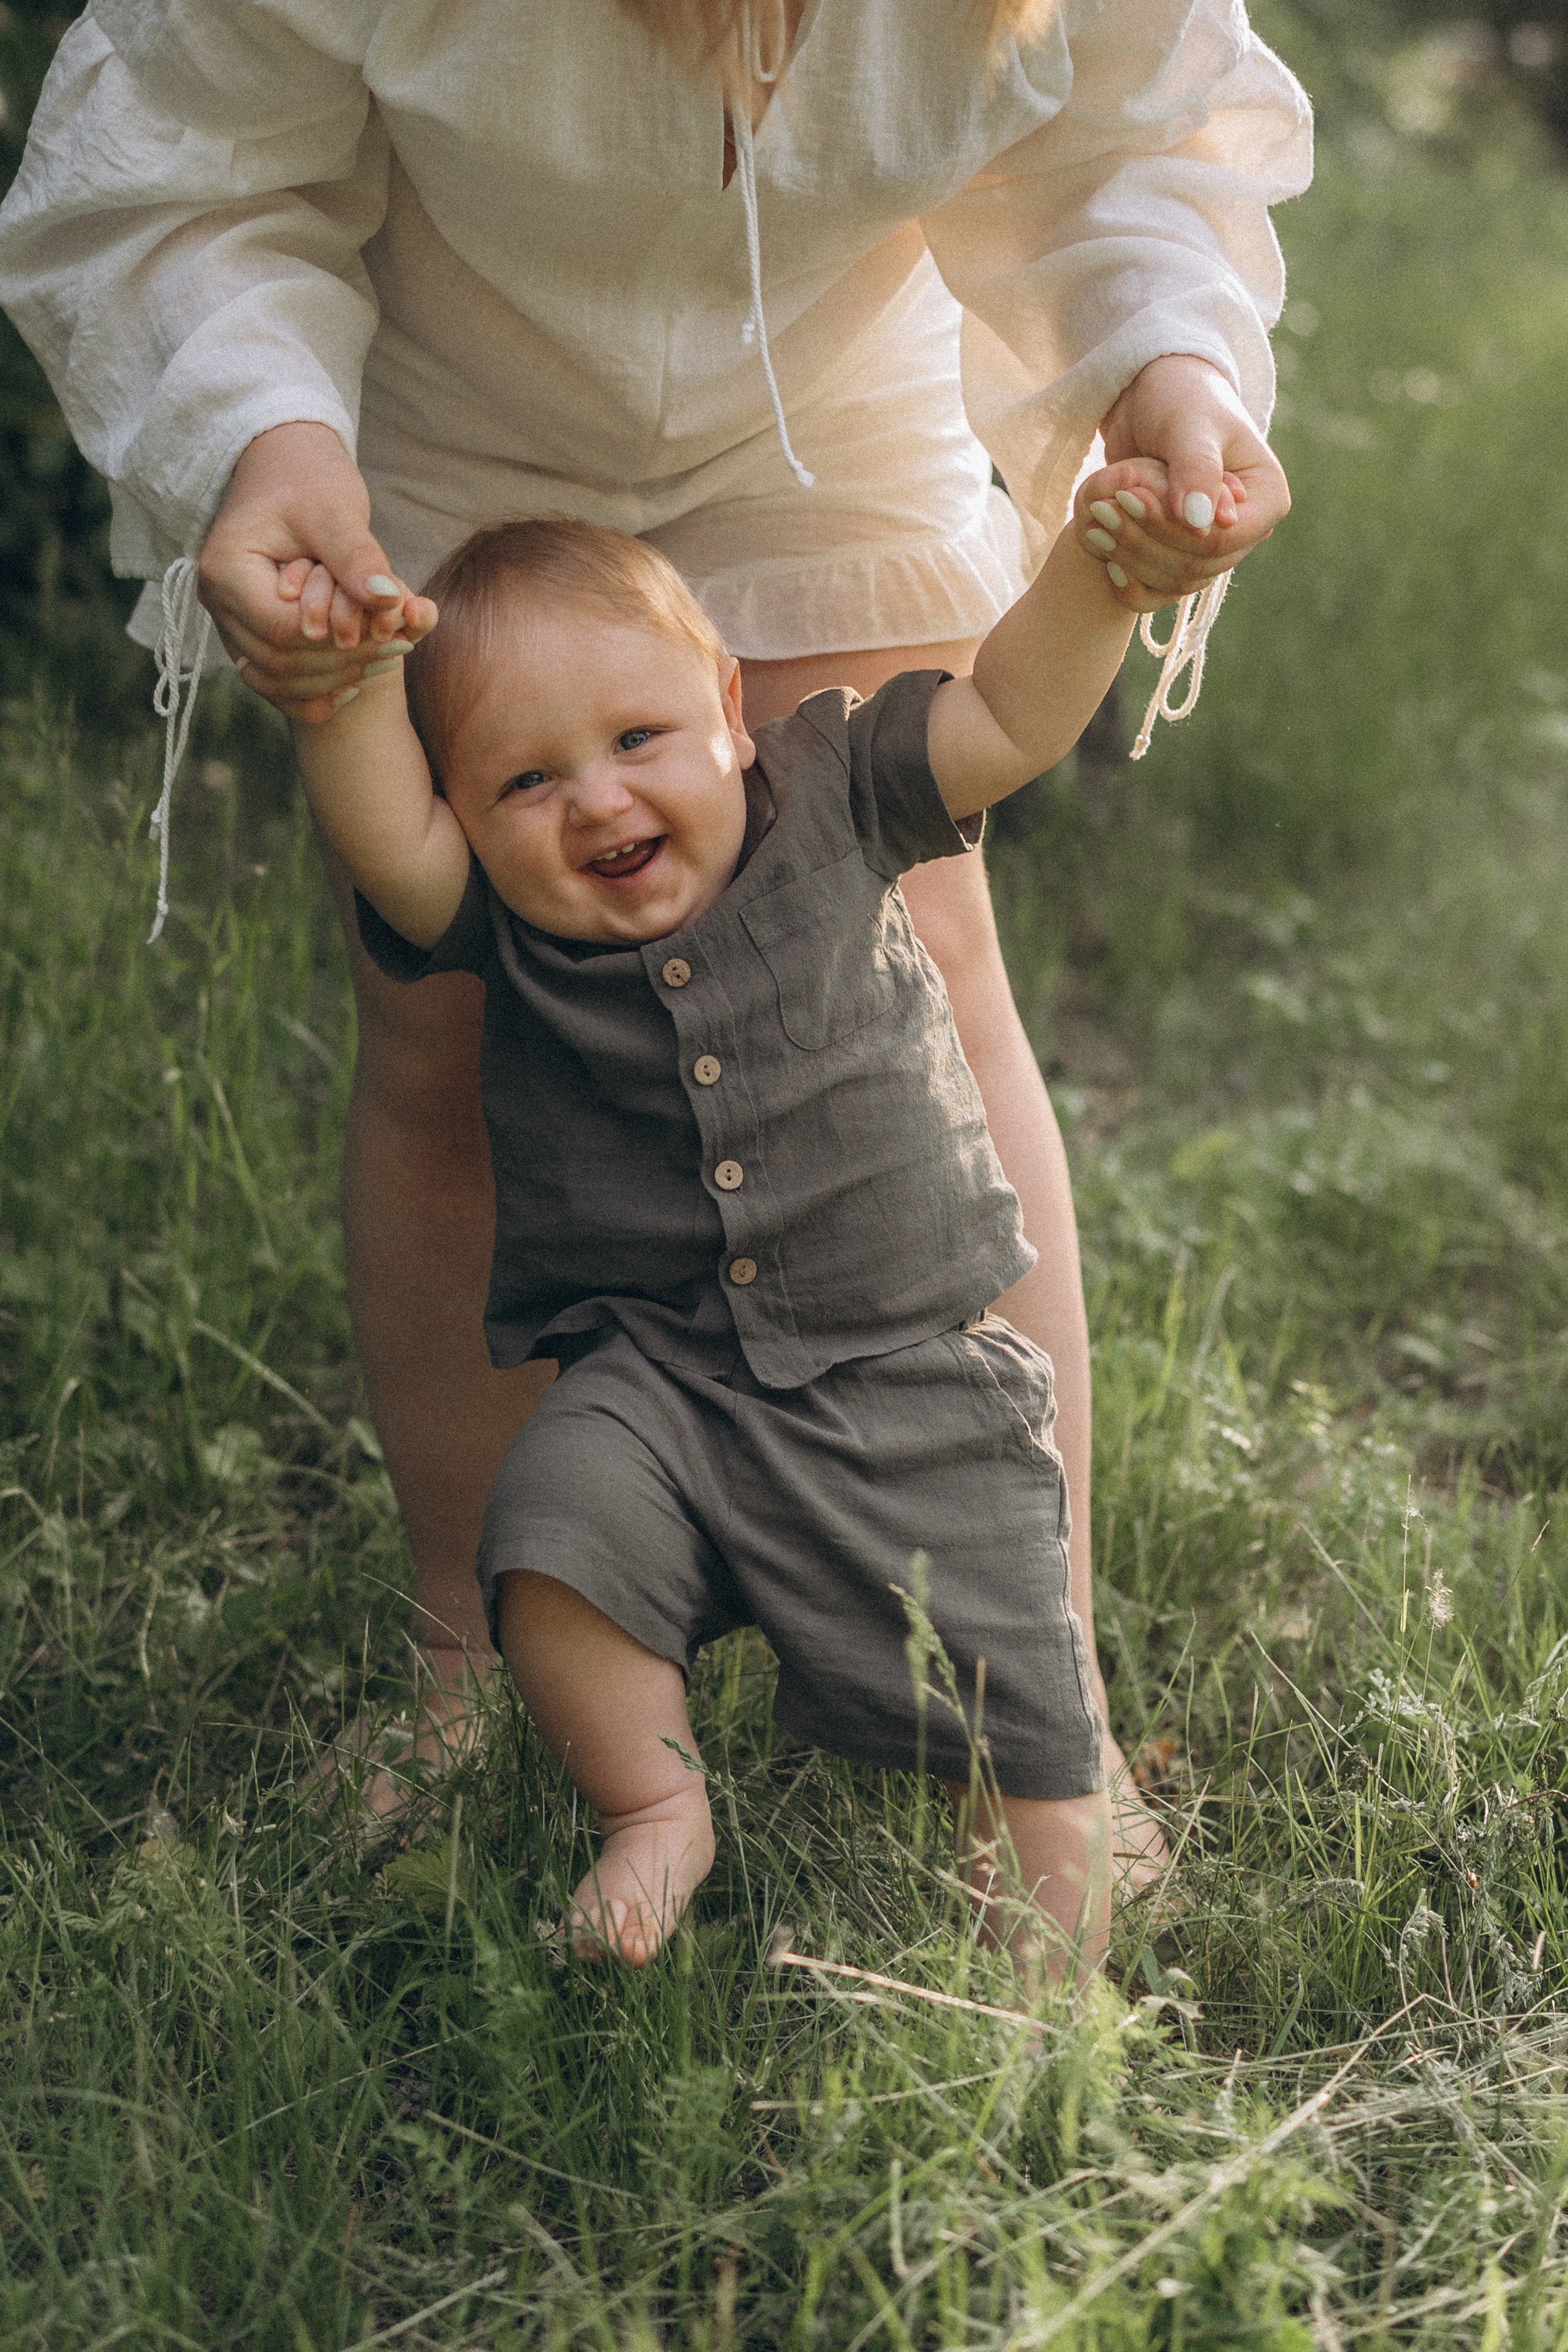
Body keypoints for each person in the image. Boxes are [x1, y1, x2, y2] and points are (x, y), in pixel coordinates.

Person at [0, 1, 1311, 1862]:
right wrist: (270, 439)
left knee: (916, 970)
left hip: (824, 403)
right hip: (452, 410)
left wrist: (1168, 368)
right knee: (452, 1027)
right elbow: (196, 159)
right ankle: (469, 1656)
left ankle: (1032, 1709)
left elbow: (1124, 141)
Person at [291, 452, 1174, 1969]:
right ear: (466, 816)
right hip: (662, 1387)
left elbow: (1009, 715)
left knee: (1027, 1735)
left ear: (724, 701)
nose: (596, 798)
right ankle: (654, 1805)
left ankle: (1042, 2009)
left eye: (636, 736)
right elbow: (383, 836)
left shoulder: (837, 786)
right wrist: (340, 693)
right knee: (548, 1537)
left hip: (915, 1381)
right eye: (523, 781)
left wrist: (1102, 581)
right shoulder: (499, 920)